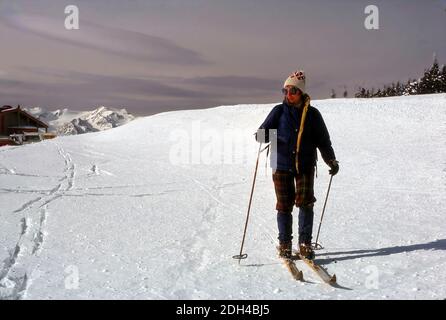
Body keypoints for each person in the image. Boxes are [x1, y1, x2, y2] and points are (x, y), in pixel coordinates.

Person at [255, 70, 339, 260]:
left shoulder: (313, 115)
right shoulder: (278, 111)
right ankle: (285, 244)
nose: (288, 94)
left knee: (306, 204)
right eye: (285, 90)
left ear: (300, 92)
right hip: (281, 163)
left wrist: (331, 160)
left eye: (292, 90)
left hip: (305, 164)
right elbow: (260, 135)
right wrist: (271, 135)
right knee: (284, 206)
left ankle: (304, 244)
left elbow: (323, 141)